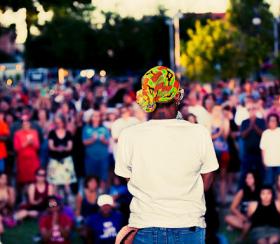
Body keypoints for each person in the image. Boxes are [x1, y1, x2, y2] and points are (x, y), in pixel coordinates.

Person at [115, 66, 219, 243]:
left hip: (145, 225)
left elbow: (127, 178)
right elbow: (208, 176)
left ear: (147, 98)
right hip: (189, 225)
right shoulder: (199, 133)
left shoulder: (128, 135)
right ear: (177, 96)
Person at [47, 114, 77, 200]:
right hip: (54, 161)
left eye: (60, 123)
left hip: (66, 161)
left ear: (63, 123)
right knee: (54, 184)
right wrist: (58, 148)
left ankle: (68, 204)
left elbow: (70, 147)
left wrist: (63, 148)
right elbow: (51, 146)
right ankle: (54, 203)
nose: (58, 124)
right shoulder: (52, 133)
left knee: (67, 184)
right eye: (56, 123)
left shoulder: (68, 133)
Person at [239, 102, 266, 187]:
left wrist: (255, 126)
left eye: (253, 109)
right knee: (245, 172)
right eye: (249, 110)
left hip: (259, 153)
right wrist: (250, 126)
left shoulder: (261, 121)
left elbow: (264, 134)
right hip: (248, 153)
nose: (252, 111)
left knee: (261, 173)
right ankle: (242, 190)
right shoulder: (244, 122)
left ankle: (261, 189)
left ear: (256, 110)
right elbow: (243, 135)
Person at [82, 111, 110, 191]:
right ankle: (91, 195)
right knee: (90, 177)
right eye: (94, 116)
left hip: (103, 157)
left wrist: (103, 140)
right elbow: (84, 142)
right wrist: (92, 139)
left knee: (103, 177)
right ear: (91, 118)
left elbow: (108, 142)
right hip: (90, 157)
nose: (96, 118)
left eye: (97, 116)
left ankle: (101, 194)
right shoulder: (86, 128)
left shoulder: (104, 129)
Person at [260, 114, 280, 184]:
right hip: (269, 162)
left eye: (274, 121)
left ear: (277, 122)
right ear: (268, 122)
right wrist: (264, 162)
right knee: (269, 182)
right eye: (271, 121)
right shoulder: (265, 133)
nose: (272, 122)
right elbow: (263, 149)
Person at [13, 115, 40, 187]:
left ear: (30, 124)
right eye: (24, 123)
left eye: (27, 123)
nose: (26, 125)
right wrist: (26, 143)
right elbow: (16, 148)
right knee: (23, 180)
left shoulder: (34, 132)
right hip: (22, 160)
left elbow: (37, 146)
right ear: (21, 125)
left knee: (33, 179)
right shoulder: (17, 134)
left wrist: (32, 143)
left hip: (33, 159)